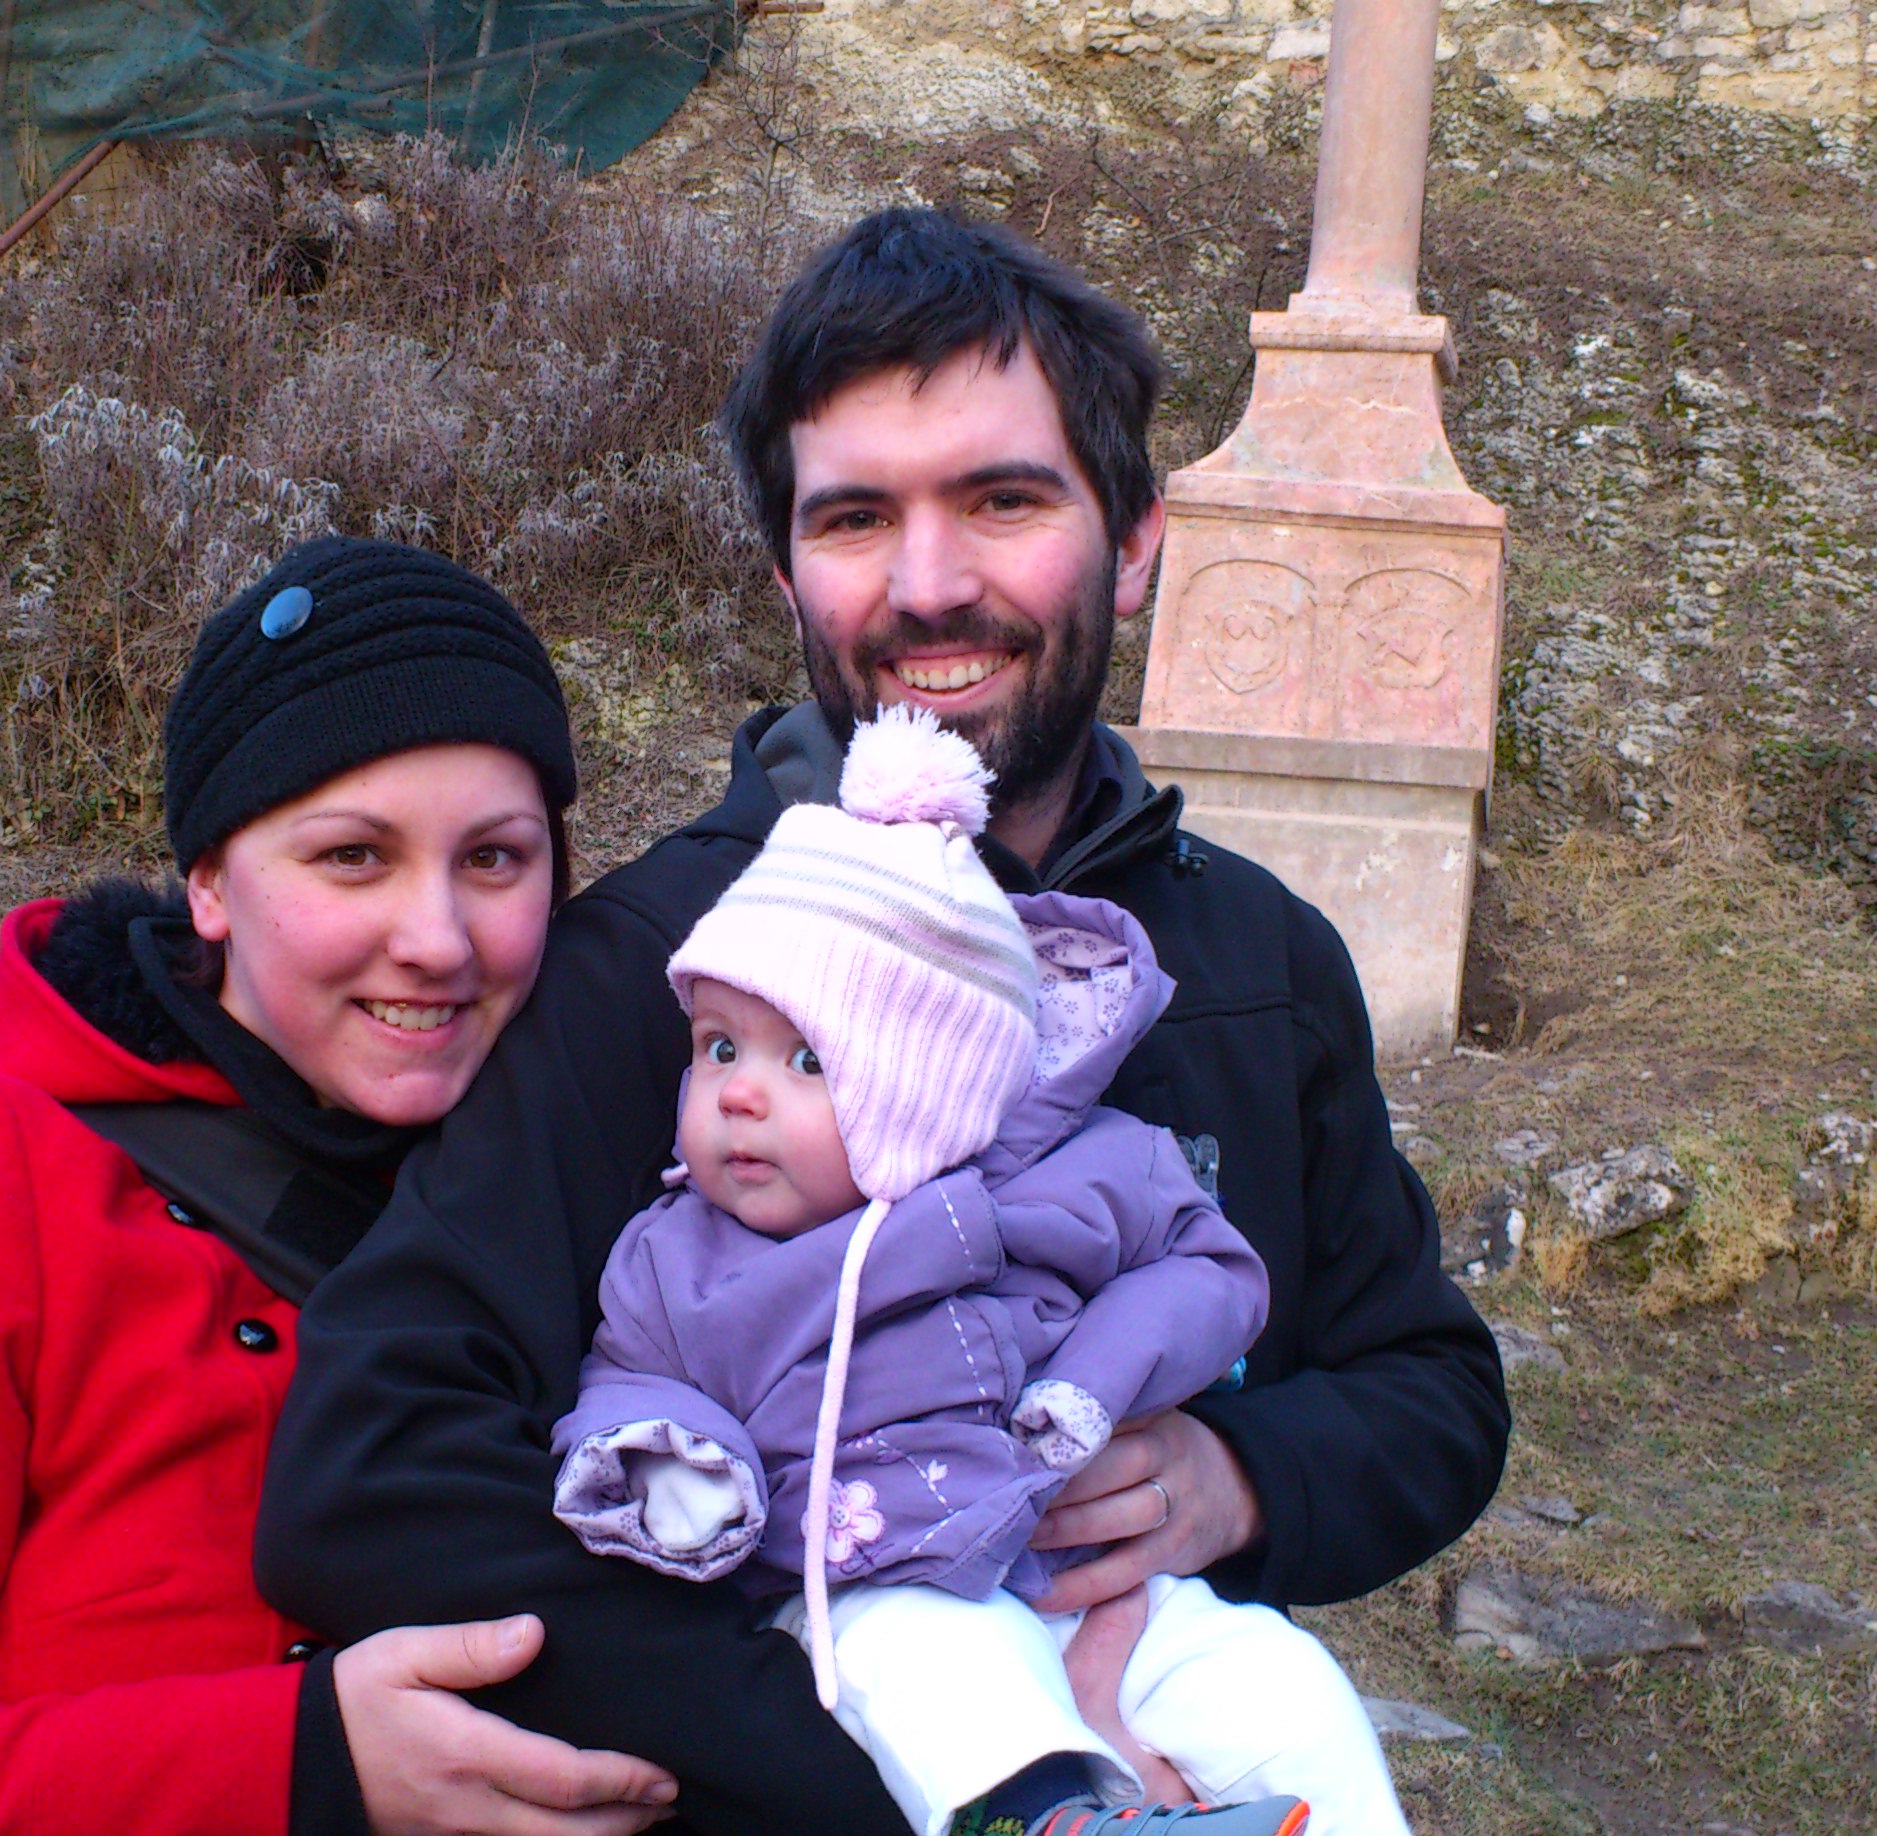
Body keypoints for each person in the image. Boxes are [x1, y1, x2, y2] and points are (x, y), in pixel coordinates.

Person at [256, 208, 1510, 1832]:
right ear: (786, 570)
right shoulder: (656, 968)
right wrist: (881, 1762)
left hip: (1182, 1711)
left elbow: (1427, 1385)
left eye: (1002, 500)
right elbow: (380, 1471)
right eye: (854, 518)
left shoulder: (1257, 960)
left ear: (1136, 540)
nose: (928, 586)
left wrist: (1241, 1480)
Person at [0, 536, 685, 1836]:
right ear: (211, 883)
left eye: (495, 859)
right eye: (353, 856)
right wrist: (305, 1768)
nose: (438, 940)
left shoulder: (626, 1164)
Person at [551, 706, 1400, 1836]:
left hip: (1078, 1566)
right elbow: (629, 1380)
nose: (739, 1093)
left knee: (1279, 1683)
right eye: (717, 1046)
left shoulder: (1071, 1176)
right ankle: (1051, 1820)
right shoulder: (679, 1257)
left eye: (806, 1057)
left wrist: (1092, 1382)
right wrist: (675, 1468)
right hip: (868, 1588)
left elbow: (1209, 1270)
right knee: (944, 1669)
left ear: (930, 1085)